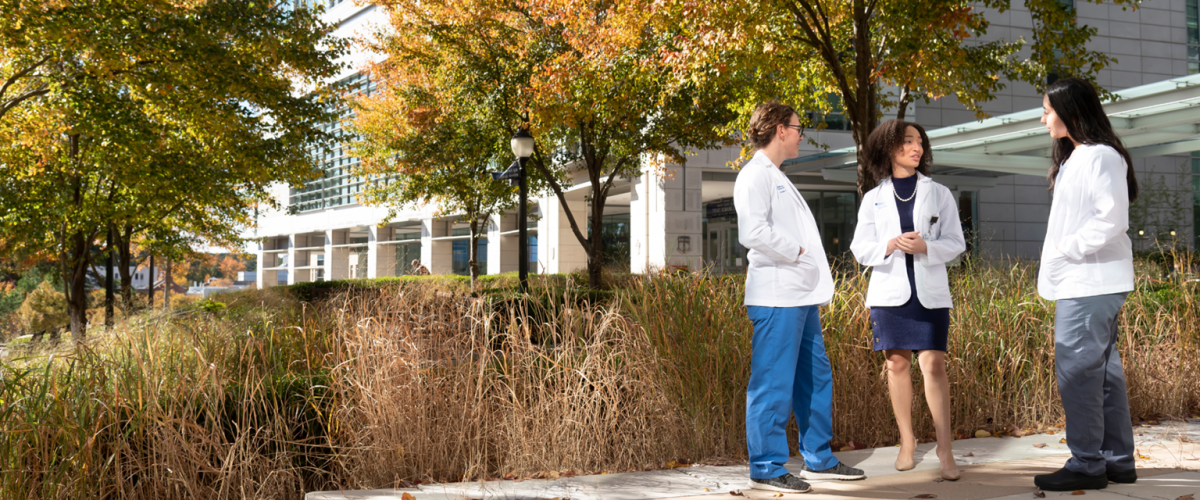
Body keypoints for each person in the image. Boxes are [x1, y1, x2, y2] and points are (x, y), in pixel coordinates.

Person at [733, 101, 866, 494]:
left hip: (799, 297)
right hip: (777, 297)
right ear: (779, 129)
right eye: (796, 127)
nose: (801, 134)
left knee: (815, 376)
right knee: (773, 383)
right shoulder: (755, 175)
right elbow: (752, 232)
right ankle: (767, 466)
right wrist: (798, 252)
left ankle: (819, 458)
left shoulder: (776, 175)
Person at [1033, 77, 1139, 492]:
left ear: (1071, 109)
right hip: (1089, 279)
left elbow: (1112, 218)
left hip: (1089, 280)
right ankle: (1117, 461)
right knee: (1103, 373)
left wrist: (1067, 249)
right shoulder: (1078, 157)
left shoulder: (1100, 156)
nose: (1043, 118)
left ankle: (1087, 463)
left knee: (1077, 371)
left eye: (1047, 109)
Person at [850, 119, 966, 482]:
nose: (917, 148)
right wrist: (890, 245)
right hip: (890, 293)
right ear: (889, 148)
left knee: (933, 364)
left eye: (919, 142)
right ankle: (907, 442)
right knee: (896, 366)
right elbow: (859, 248)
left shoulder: (939, 192)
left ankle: (945, 448)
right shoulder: (874, 198)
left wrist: (926, 247)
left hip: (929, 293)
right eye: (908, 142)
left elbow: (956, 242)